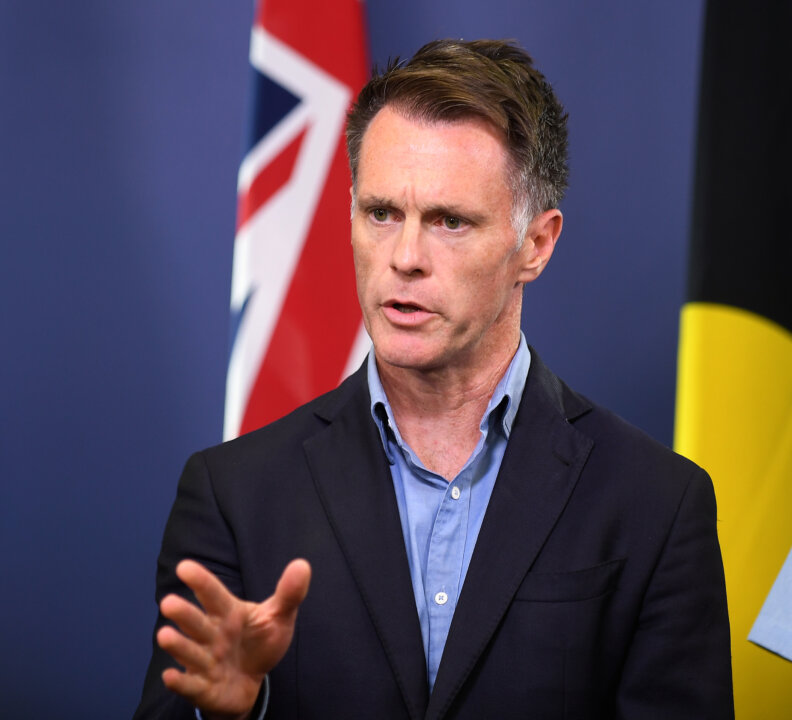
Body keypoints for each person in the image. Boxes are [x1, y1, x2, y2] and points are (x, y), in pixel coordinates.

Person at [133, 39, 733, 720]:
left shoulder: (656, 504)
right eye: (381, 213)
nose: (405, 257)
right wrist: (230, 715)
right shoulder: (233, 495)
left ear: (536, 245)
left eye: (450, 221)